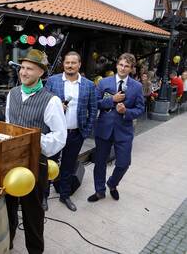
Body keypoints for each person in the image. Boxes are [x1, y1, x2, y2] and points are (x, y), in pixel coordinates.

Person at [5, 49, 67, 253]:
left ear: (41, 72)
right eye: (22, 67)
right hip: (9, 162)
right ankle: (9, 243)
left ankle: (35, 250)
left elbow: (59, 137)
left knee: (33, 214)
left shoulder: (51, 101)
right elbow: (8, 125)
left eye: (29, 69)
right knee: (8, 208)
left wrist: (32, 141)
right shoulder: (12, 94)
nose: (23, 72)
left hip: (34, 164)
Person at [88, 53, 144, 203]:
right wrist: (111, 100)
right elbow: (95, 102)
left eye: (127, 66)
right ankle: (99, 191)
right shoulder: (104, 82)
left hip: (124, 131)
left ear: (131, 69)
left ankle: (112, 184)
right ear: (116, 65)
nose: (123, 68)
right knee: (100, 162)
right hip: (104, 129)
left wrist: (126, 111)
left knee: (124, 163)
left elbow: (140, 109)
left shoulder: (137, 86)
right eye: (121, 64)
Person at [45, 51, 97, 211]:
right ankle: (43, 196)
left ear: (79, 64)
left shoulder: (88, 85)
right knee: (49, 165)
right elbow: (43, 103)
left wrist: (85, 132)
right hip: (54, 133)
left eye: (73, 63)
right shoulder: (53, 81)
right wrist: (56, 107)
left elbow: (93, 109)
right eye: (67, 62)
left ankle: (64, 195)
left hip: (75, 134)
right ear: (64, 64)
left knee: (68, 166)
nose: (70, 65)